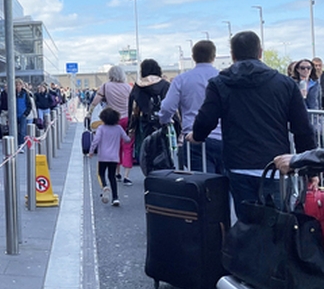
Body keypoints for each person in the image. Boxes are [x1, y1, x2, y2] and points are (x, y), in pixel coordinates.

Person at [189, 31, 315, 219]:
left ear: (233, 55)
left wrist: (196, 137)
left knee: (247, 226)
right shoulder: (285, 84)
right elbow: (302, 128)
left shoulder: (220, 84)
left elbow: (206, 120)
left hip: (238, 163)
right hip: (276, 165)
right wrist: (310, 167)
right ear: (260, 52)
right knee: (279, 226)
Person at [158, 40, 224, 174]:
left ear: (193, 57)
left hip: (194, 139)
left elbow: (167, 107)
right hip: (224, 138)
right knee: (226, 186)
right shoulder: (223, 78)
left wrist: (164, 120)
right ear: (213, 56)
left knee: (203, 184)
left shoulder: (182, 79)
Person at [90, 66, 134, 185]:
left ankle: (116, 172)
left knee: (115, 145)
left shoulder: (106, 86)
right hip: (127, 119)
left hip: (113, 119)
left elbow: (95, 101)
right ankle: (126, 176)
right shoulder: (128, 87)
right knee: (127, 146)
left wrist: (90, 111)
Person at [127, 59, 171, 163]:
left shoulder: (138, 87)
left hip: (144, 122)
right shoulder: (165, 85)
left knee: (146, 150)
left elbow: (133, 109)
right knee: (163, 148)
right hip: (162, 121)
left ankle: (149, 171)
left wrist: (131, 128)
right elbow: (171, 105)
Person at [89, 107, 131, 207]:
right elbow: (126, 139)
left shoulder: (101, 128)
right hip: (114, 157)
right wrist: (131, 136)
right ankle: (115, 198)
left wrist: (91, 151)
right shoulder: (119, 128)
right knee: (112, 176)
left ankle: (104, 186)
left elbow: (96, 140)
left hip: (103, 156)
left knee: (101, 173)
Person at [13, 78, 33, 145]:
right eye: (16, 85)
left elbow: (29, 105)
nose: (18, 86)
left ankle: (21, 144)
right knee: (14, 130)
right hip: (14, 115)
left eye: (19, 85)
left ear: (22, 85)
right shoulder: (12, 94)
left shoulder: (25, 93)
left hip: (22, 115)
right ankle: (15, 143)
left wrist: (25, 114)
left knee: (22, 131)